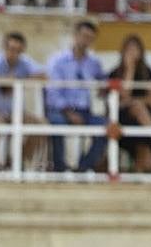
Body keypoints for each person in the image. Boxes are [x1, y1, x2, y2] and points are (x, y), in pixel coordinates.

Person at [107, 33, 151, 173]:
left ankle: (148, 163)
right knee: (137, 108)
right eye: (129, 49)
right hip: (123, 118)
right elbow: (123, 96)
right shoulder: (115, 72)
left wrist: (135, 101)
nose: (133, 53)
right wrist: (130, 70)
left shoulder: (147, 72)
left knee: (147, 159)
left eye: (135, 49)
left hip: (145, 118)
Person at [45, 20, 106, 174]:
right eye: (84, 36)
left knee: (106, 127)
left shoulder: (94, 63)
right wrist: (68, 112)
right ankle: (59, 168)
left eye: (90, 38)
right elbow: (52, 92)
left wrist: (103, 89)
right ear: (75, 36)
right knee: (57, 124)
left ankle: (83, 167)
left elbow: (103, 80)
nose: (86, 41)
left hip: (85, 111)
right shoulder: (58, 61)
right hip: (61, 111)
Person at [0, 31, 44, 169]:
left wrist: (19, 81)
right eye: (11, 49)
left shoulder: (25, 62)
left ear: (22, 50)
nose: (13, 53)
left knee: (40, 126)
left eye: (18, 50)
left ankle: (18, 162)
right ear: (4, 47)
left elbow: (43, 75)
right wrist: (5, 82)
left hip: (15, 111)